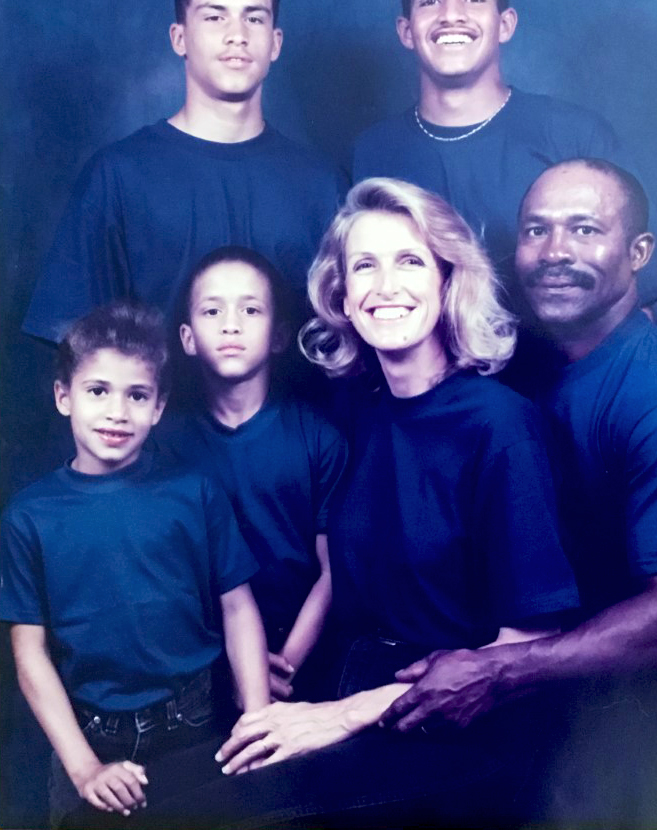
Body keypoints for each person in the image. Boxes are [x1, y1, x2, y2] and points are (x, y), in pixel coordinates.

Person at [123, 177, 579, 829]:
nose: (385, 286)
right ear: (340, 292)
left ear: (451, 281)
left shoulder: (501, 427)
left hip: (458, 735)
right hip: (357, 690)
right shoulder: (358, 410)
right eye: (365, 265)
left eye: (410, 261)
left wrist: (336, 716)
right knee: (137, 803)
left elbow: (528, 641)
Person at [507, 158, 657, 822]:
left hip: (650, 698)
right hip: (561, 670)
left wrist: (497, 673)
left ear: (639, 254)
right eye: (536, 230)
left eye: (583, 230)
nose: (554, 253)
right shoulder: (541, 363)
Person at [0, 303, 270, 828]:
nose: (117, 412)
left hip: (196, 722)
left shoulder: (194, 491)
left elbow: (238, 607)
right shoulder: (29, 517)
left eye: (137, 395)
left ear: (159, 406)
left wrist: (256, 720)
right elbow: (28, 652)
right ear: (63, 397)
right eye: (97, 391)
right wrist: (83, 769)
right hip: (91, 737)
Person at [22, 0, 344, 345]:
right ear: (179, 38)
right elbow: (79, 351)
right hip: (162, 407)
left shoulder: (320, 184)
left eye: (254, 18)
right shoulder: (118, 177)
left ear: (275, 43)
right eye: (214, 17)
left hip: (296, 409)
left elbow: (345, 344)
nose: (237, 35)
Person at [351, 0, 657, 309]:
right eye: (430, 0)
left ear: (505, 24)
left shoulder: (574, 137)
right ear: (406, 31)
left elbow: (635, 304)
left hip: (557, 369)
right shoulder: (372, 153)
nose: (451, 15)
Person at [154, 246, 347, 700]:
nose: (230, 324)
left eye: (250, 309)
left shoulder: (318, 436)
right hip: (200, 666)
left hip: (305, 660)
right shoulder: (163, 444)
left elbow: (334, 572)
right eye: (212, 309)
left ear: (279, 334)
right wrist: (236, 664)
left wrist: (283, 664)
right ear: (187, 337)